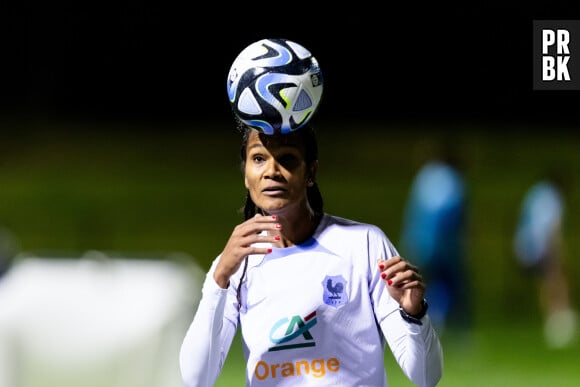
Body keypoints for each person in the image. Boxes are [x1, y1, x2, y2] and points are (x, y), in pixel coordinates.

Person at [179, 123, 443, 386]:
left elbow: (426, 377)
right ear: (246, 175)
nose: (271, 171)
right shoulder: (236, 264)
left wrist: (414, 313)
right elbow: (196, 379)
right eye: (259, 158)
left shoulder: (364, 244)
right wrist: (219, 279)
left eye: (287, 159)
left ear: (311, 172)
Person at [398, 141, 471, 334]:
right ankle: (440, 320)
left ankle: (421, 320)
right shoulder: (453, 179)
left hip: (418, 240)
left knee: (423, 282)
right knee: (448, 283)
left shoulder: (425, 175)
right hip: (443, 242)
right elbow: (455, 213)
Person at [513, 172, 577, 349]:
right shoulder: (554, 199)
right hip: (540, 246)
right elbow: (551, 229)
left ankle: (553, 321)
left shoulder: (536, 193)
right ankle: (559, 322)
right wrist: (559, 252)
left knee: (546, 281)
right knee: (557, 278)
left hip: (524, 245)